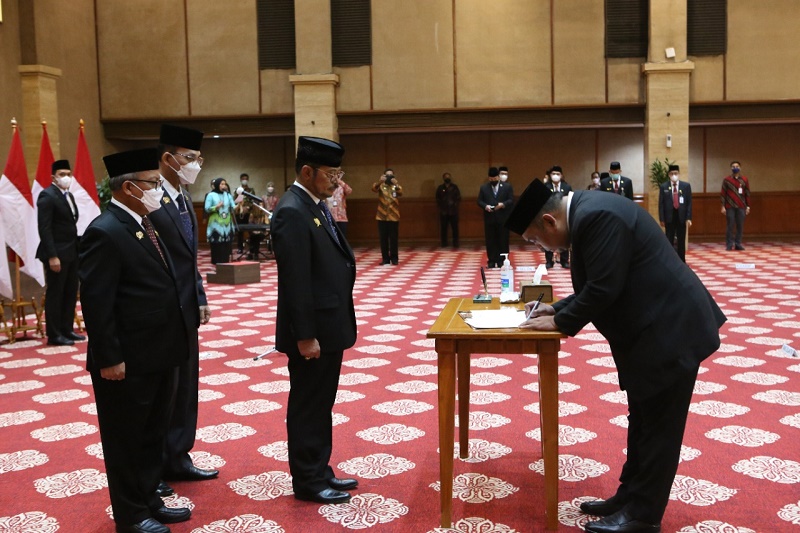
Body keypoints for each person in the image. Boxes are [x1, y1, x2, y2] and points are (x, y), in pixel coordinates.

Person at [505, 179, 726, 533]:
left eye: (534, 240)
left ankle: (643, 515)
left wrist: (559, 321)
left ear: (549, 222)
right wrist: (554, 309)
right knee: (642, 420)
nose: (539, 245)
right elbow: (601, 283)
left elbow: (605, 287)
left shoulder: (598, 216)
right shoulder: (588, 212)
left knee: (659, 429)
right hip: (653, 329)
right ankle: (630, 496)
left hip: (670, 330)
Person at [79, 148, 193, 533]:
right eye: (153, 184)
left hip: (158, 353)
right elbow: (97, 303)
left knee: (151, 434)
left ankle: (149, 499)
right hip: (126, 360)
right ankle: (131, 514)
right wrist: (110, 357)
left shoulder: (144, 223)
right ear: (129, 187)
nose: (158, 192)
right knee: (126, 440)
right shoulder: (105, 231)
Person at [271, 136, 358, 505]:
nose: (337, 180)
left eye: (339, 172)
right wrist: (305, 336)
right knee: (309, 405)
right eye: (331, 173)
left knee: (322, 403)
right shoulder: (292, 210)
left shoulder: (314, 204)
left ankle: (320, 469)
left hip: (329, 326)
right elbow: (296, 281)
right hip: (313, 333)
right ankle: (307, 480)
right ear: (307, 171)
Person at [150, 124, 217, 492]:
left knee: (187, 386)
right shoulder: (149, 199)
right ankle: (156, 465)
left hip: (186, 306)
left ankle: (178, 455)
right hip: (161, 310)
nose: (196, 165)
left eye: (198, 159)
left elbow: (189, 257)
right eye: (190, 158)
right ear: (168, 158)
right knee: (164, 389)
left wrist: (201, 296)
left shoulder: (182, 196)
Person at [36, 159, 85, 346]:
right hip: (56, 254)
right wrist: (52, 256)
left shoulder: (68, 196)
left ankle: (67, 329)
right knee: (56, 293)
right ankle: (54, 334)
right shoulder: (47, 196)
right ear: (53, 177)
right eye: (62, 174)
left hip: (72, 252)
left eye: (68, 174)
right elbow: (45, 228)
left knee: (70, 292)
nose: (66, 177)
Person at [477, 167, 514, 268]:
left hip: (503, 218)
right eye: (491, 179)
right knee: (490, 240)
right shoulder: (484, 188)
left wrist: (503, 204)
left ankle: (502, 260)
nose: (493, 181)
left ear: (498, 177)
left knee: (503, 240)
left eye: (495, 179)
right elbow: (479, 201)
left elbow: (511, 200)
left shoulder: (507, 187)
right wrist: (485, 206)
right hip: (490, 218)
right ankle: (492, 260)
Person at [658, 164, 692, 262]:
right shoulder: (664, 186)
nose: (674, 175)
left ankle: (682, 261)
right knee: (669, 240)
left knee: (681, 240)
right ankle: (670, 261)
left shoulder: (685, 186)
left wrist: (689, 218)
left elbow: (689, 203)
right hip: (669, 217)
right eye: (672, 173)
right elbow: (661, 203)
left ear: (679, 174)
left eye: (676, 173)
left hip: (681, 217)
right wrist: (662, 219)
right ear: (669, 174)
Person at [372, 169, 403, 265]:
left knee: (394, 239)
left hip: (394, 216)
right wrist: (380, 181)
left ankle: (394, 258)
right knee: (383, 239)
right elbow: (374, 189)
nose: (389, 177)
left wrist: (396, 184)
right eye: (387, 175)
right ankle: (385, 258)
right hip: (382, 216)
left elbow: (401, 192)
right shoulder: (381, 185)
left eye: (391, 175)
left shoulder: (396, 186)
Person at [543, 166, 571, 268]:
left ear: (561, 175)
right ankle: (549, 261)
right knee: (548, 238)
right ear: (550, 175)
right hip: (548, 215)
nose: (555, 176)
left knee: (564, 237)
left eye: (558, 174)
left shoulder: (567, 187)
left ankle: (564, 260)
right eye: (553, 174)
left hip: (562, 216)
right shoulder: (545, 186)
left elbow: (569, 201)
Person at [204, 177, 236, 264]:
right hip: (216, 225)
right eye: (221, 184)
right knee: (217, 244)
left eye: (224, 184)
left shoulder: (228, 195)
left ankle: (225, 262)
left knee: (226, 245)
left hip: (227, 224)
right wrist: (216, 207)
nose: (223, 185)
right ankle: (216, 262)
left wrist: (239, 203)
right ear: (217, 185)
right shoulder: (211, 195)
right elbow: (206, 209)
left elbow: (233, 207)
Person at [720, 160, 751, 251]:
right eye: (733, 166)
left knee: (740, 226)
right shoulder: (727, 180)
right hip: (730, 206)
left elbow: (747, 193)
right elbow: (723, 194)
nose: (735, 168)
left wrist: (748, 206)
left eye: (737, 166)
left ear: (740, 168)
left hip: (741, 206)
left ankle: (738, 243)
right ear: (731, 168)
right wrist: (722, 206)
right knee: (730, 225)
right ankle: (729, 244)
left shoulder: (744, 180)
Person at [435, 172, 461, 248]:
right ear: (443, 178)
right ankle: (444, 243)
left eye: (448, 177)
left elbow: (458, 197)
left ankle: (455, 243)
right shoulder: (440, 188)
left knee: (455, 228)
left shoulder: (454, 187)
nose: (447, 178)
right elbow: (437, 198)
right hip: (444, 211)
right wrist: (441, 206)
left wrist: (455, 205)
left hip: (453, 211)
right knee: (443, 228)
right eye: (446, 177)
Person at [235, 173, 256, 254]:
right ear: (240, 180)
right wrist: (240, 206)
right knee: (240, 231)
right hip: (239, 213)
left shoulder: (251, 190)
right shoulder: (237, 190)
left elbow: (253, 201)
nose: (244, 180)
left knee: (250, 230)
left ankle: (251, 247)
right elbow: (235, 200)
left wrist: (248, 207)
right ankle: (240, 248)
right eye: (243, 178)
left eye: (246, 179)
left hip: (249, 213)